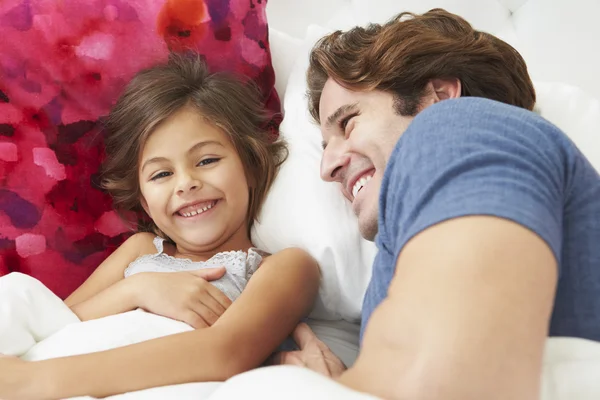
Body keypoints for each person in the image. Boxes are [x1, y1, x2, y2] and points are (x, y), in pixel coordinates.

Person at [273, 8, 600, 400]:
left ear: (438, 96)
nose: (326, 167)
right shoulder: (397, 253)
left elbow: (456, 380)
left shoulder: (456, 125)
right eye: (325, 146)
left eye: (349, 123)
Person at [0, 53, 320, 399]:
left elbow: (225, 353)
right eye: (162, 174)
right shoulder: (140, 251)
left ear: (251, 165)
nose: (185, 184)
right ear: (144, 200)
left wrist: (33, 382)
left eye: (207, 160)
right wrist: (137, 290)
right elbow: (57, 321)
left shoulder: (285, 267)